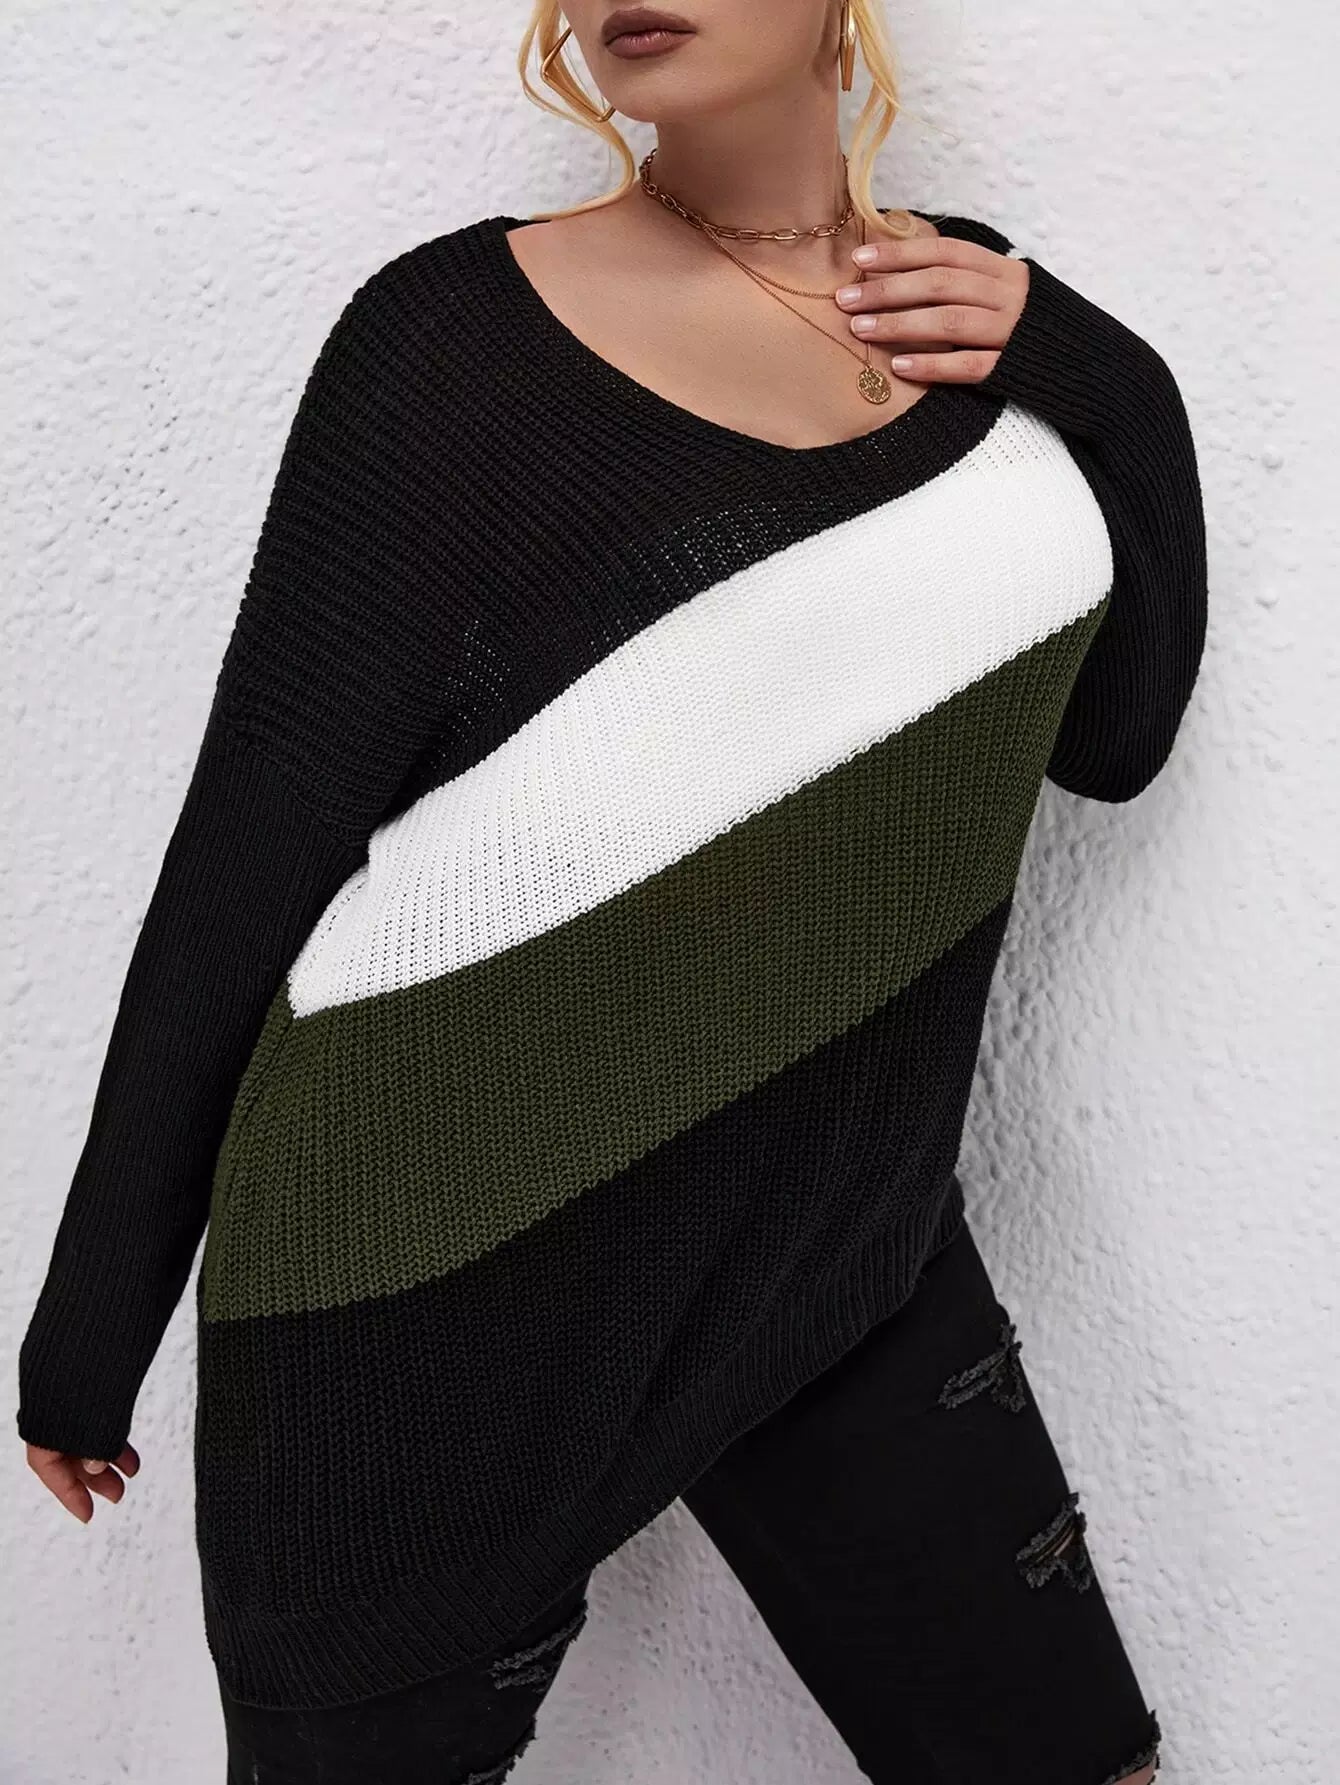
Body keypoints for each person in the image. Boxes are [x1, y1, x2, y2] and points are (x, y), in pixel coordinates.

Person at [17, 2, 1206, 1780]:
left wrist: (1095, 367)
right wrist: (95, 1316)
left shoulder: (975, 321)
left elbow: (1114, 741)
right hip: (425, 1281)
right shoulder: (446, 341)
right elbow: (252, 839)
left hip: (840, 1239)